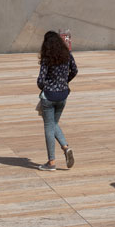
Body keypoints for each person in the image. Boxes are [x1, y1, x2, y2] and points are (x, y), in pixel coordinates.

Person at [36, 30, 78, 171]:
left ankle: (51, 162)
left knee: (49, 127)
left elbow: (40, 80)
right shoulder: (67, 55)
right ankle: (66, 148)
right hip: (63, 95)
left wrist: (45, 87)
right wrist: (64, 81)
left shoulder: (47, 58)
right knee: (54, 124)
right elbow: (75, 70)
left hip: (49, 96)